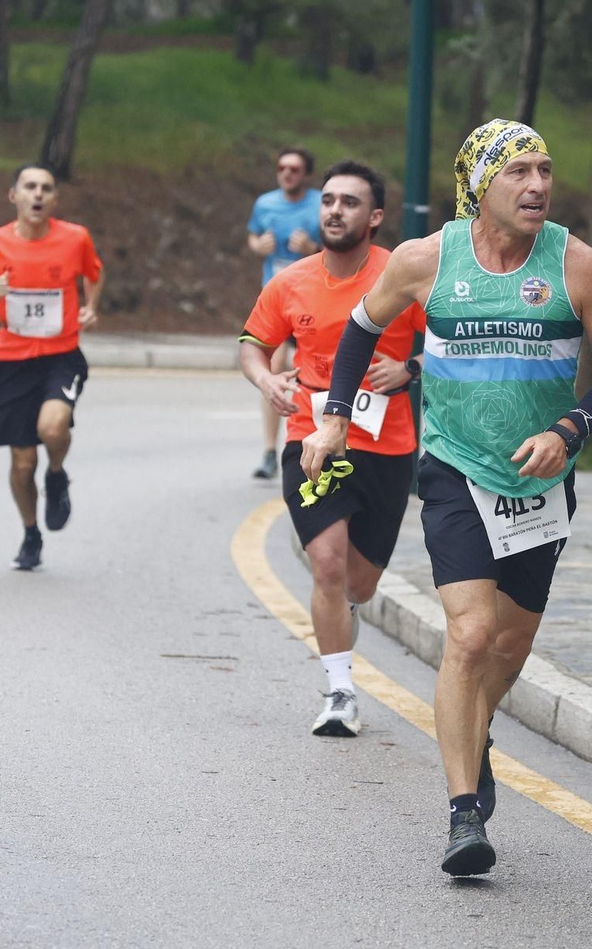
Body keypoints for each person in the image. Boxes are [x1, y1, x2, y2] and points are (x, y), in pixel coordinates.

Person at [301, 120, 592, 877]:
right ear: (482, 183)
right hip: (453, 469)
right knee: (471, 635)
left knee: (510, 647)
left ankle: (474, 732)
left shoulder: (577, 265)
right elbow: (361, 332)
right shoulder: (429, 260)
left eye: (546, 169)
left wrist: (569, 427)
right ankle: (463, 815)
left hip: (543, 483)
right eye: (520, 171)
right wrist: (335, 419)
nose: (539, 185)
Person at [240, 161, 425, 738]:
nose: (334, 211)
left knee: (358, 584)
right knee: (327, 565)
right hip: (310, 434)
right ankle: (340, 692)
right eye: (327, 201)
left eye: (348, 202)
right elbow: (252, 343)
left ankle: (341, 625)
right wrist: (267, 380)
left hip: (387, 444)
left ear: (373, 216)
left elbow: (448, 340)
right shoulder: (291, 279)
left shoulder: (400, 274)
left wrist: (411, 366)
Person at [0, 164, 104, 572]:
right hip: (12, 361)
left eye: (46, 188)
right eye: (30, 187)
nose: (37, 194)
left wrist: (91, 307)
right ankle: (31, 532)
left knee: (52, 428)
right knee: (21, 463)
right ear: (13, 195)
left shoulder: (75, 238)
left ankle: (57, 475)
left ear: (55, 199)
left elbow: (95, 272)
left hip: (62, 355)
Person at [247, 147, 322, 480]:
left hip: (314, 300)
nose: (287, 173)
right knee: (274, 367)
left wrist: (313, 251)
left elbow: (339, 247)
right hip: (277, 297)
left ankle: (316, 437)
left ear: (305, 174)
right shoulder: (265, 203)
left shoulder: (322, 202)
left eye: (294, 169)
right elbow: (253, 235)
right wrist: (256, 246)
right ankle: (269, 450)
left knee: (315, 369)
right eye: (282, 168)